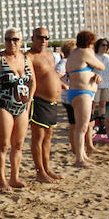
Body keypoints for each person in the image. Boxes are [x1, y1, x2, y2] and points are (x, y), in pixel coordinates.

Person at [0, 29, 35, 189]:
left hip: (22, 105)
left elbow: (32, 82)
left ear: (21, 41)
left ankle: (14, 177)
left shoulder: (25, 59)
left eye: (15, 39)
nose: (12, 42)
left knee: (18, 144)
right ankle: (1, 180)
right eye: (8, 39)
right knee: (3, 144)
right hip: (3, 104)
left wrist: (29, 101)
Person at [27, 27, 64, 183]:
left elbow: (50, 74)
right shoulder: (29, 57)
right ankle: (39, 171)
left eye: (46, 37)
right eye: (40, 37)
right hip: (39, 100)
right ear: (33, 38)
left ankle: (47, 168)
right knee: (38, 137)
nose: (43, 40)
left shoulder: (50, 55)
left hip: (52, 102)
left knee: (48, 136)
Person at [65, 30, 104, 168]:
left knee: (82, 127)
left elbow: (80, 70)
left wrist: (91, 73)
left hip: (77, 92)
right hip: (83, 93)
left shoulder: (74, 54)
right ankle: (79, 159)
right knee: (81, 128)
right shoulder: (84, 52)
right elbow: (101, 66)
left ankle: (83, 155)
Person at [93, 38, 109, 116]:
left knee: (103, 104)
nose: (105, 47)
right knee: (94, 104)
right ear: (98, 46)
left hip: (106, 83)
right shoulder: (94, 56)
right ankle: (91, 119)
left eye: (106, 45)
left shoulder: (107, 57)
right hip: (96, 84)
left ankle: (102, 119)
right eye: (103, 45)